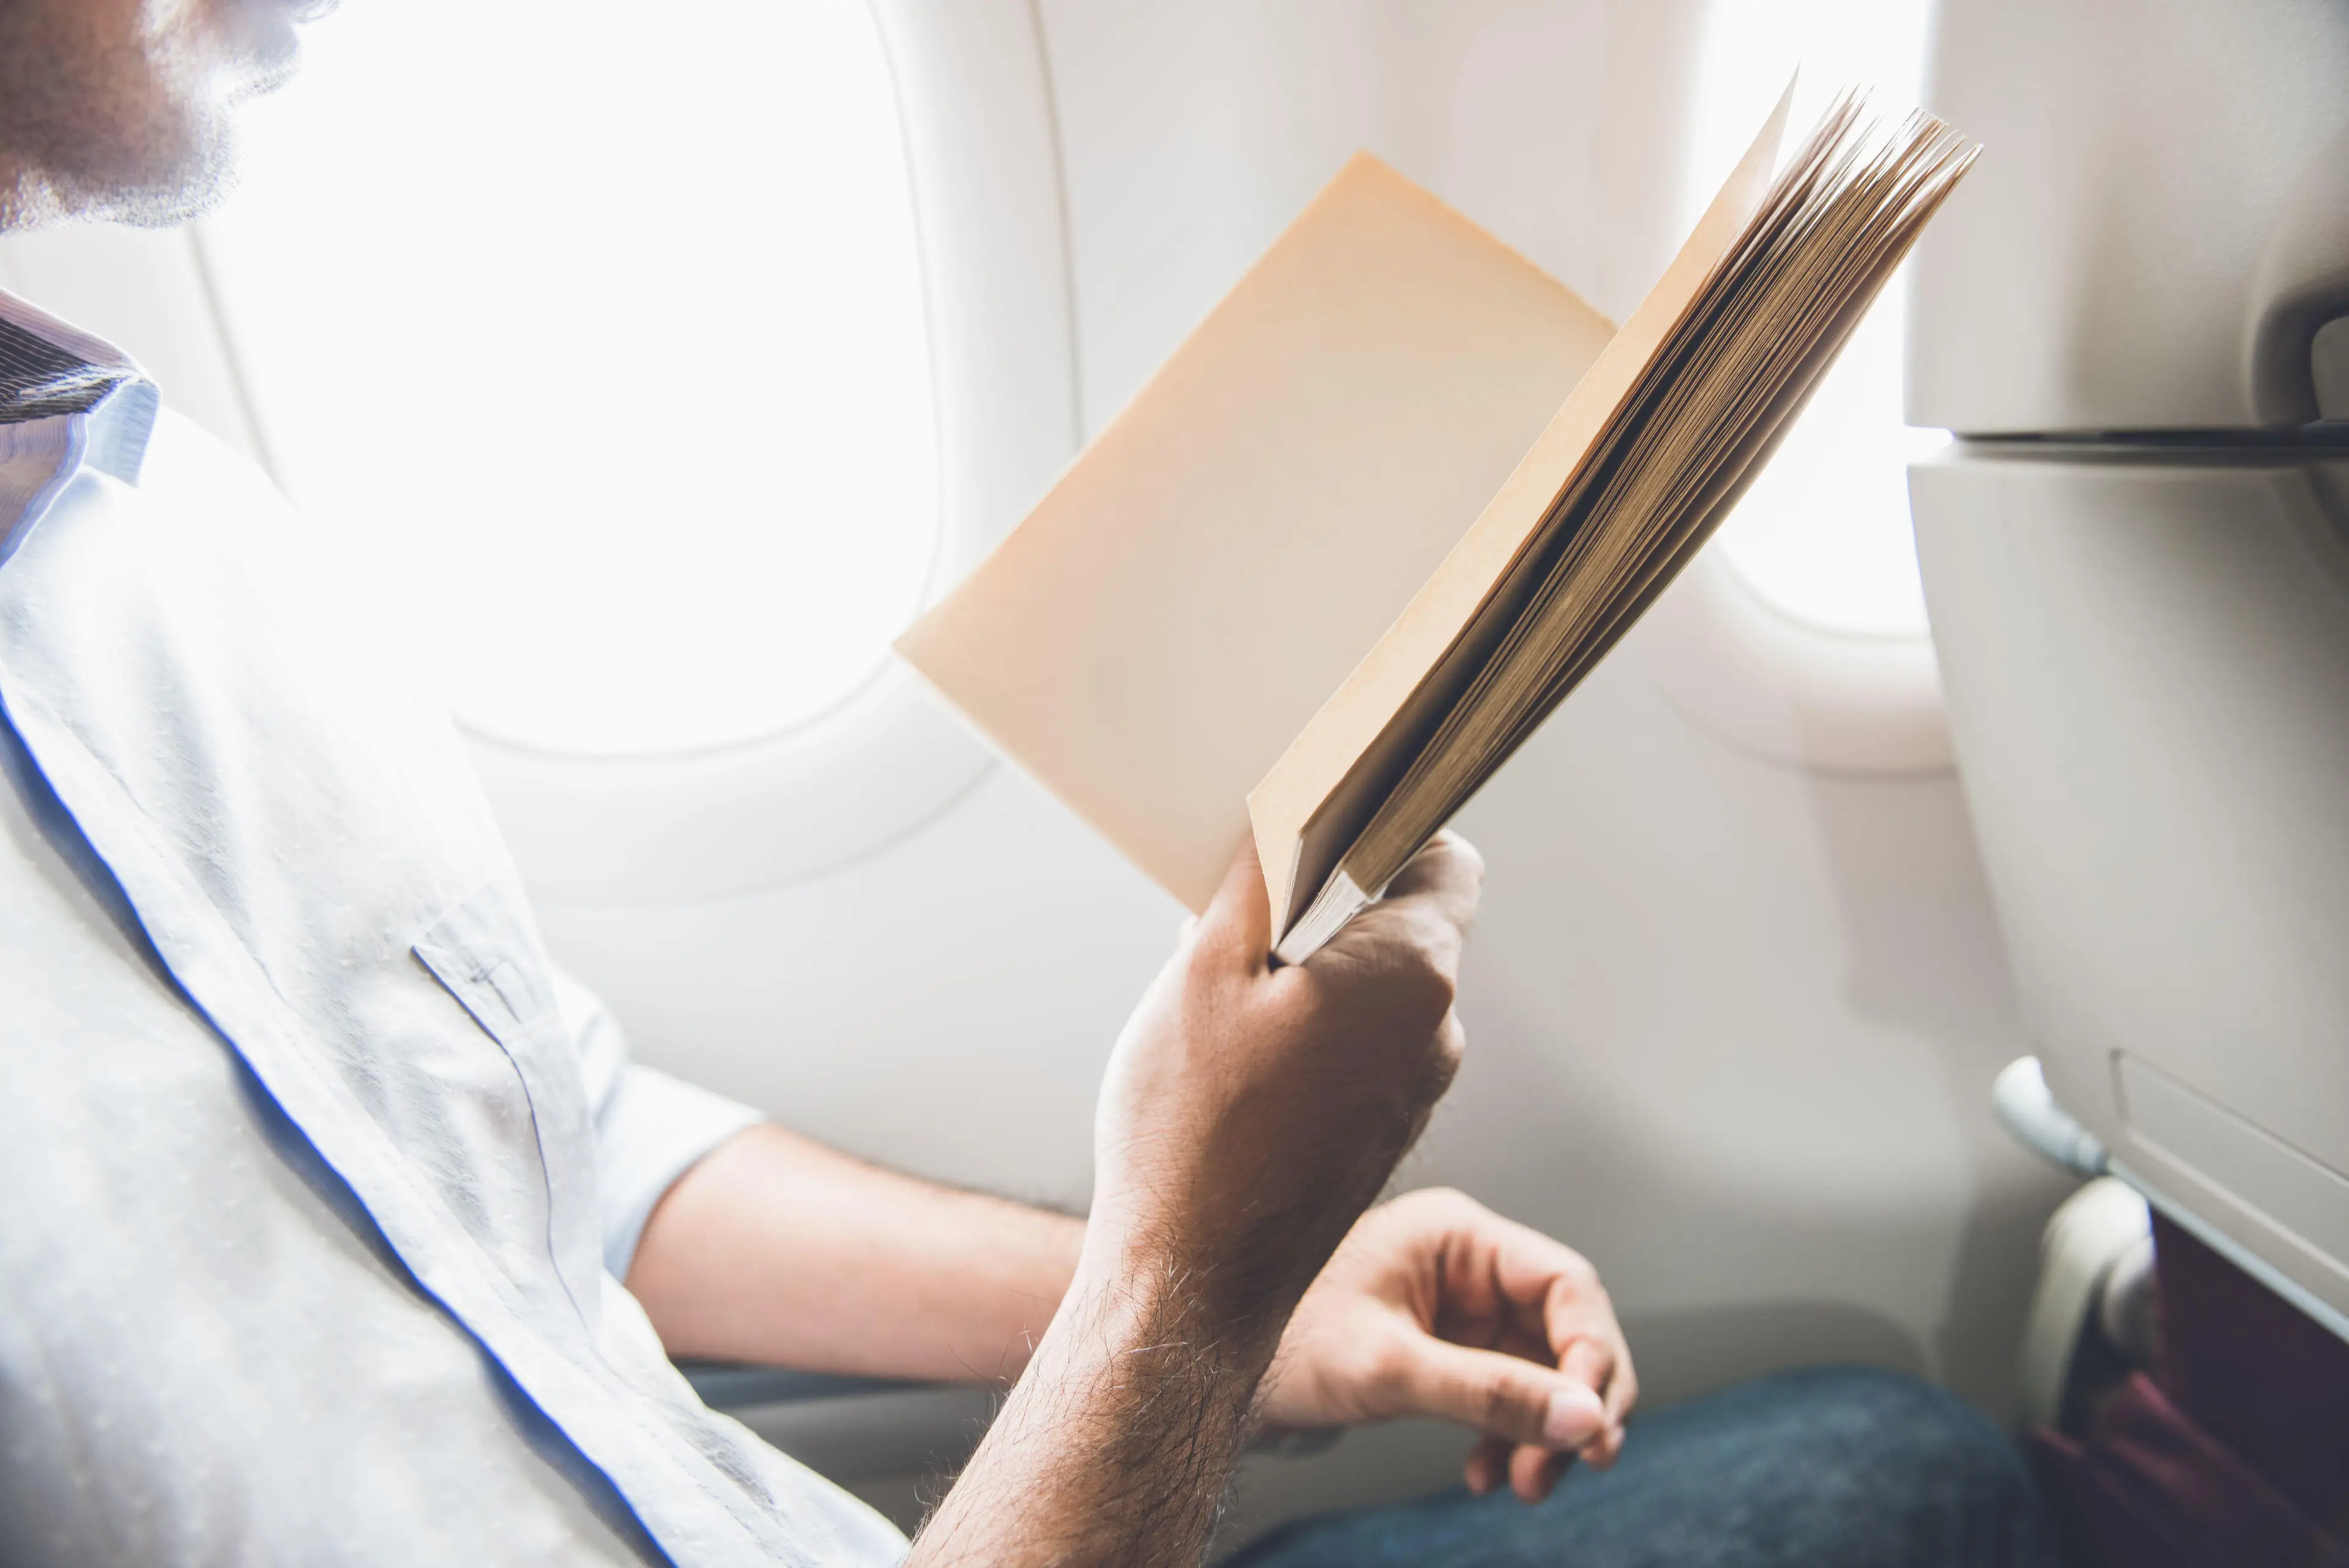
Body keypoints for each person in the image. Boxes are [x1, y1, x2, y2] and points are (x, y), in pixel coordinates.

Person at [0, 1, 2055, 1564]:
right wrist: (1182, 1296)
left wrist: (1253, 1299)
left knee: (1902, 1457)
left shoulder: (154, 514)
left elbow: (556, 1157)